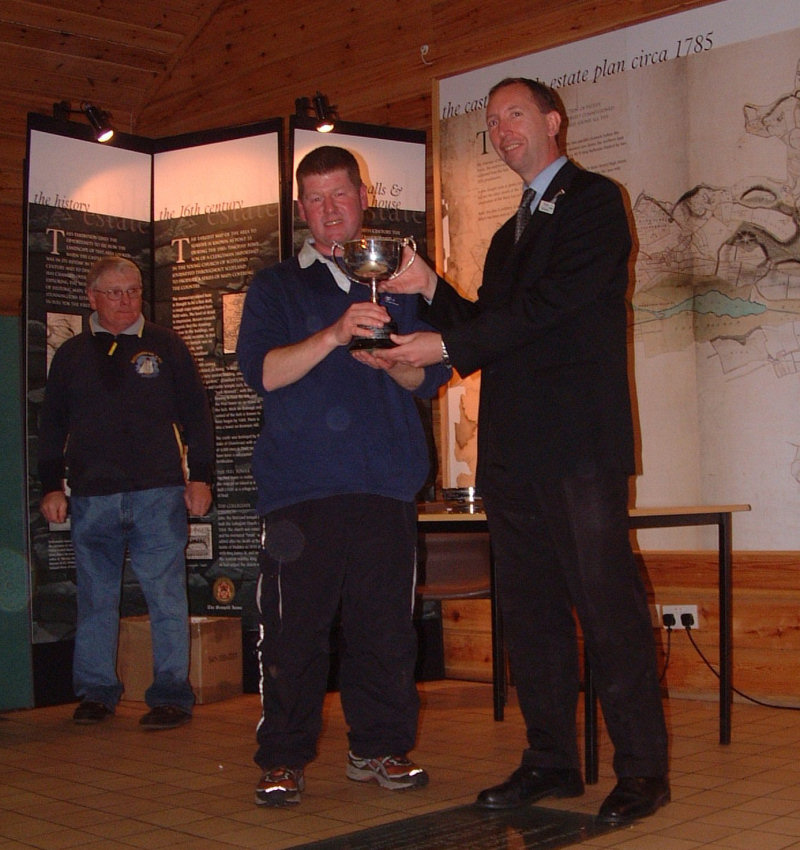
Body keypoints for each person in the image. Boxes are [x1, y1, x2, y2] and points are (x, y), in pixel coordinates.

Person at [378, 78, 670, 826]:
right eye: (491, 122)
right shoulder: (511, 235)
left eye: (513, 115)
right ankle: (551, 761)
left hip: (577, 448)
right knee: (531, 614)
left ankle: (642, 771)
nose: (501, 130)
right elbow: (493, 325)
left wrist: (448, 338)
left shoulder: (597, 202)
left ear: (552, 120)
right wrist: (431, 286)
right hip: (512, 451)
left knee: (608, 611)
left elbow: (551, 310)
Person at [236, 145, 451, 807]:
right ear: (302, 211)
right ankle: (282, 759)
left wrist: (397, 365)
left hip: (386, 484)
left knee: (385, 630)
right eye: (316, 200)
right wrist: (332, 336)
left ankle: (380, 748)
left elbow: (433, 378)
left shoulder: (401, 279)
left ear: (364, 198)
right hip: (300, 491)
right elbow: (262, 373)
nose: (331, 211)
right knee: (294, 635)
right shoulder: (275, 286)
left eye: (341, 196)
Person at [38, 255, 214, 730]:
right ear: (91, 297)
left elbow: (196, 416)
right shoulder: (71, 354)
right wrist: (51, 486)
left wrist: (200, 476)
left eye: (133, 291)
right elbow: (51, 425)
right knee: (96, 597)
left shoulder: (166, 345)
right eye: (114, 292)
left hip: (157, 491)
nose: (125, 300)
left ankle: (172, 694)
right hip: (93, 495)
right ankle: (96, 692)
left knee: (167, 596)